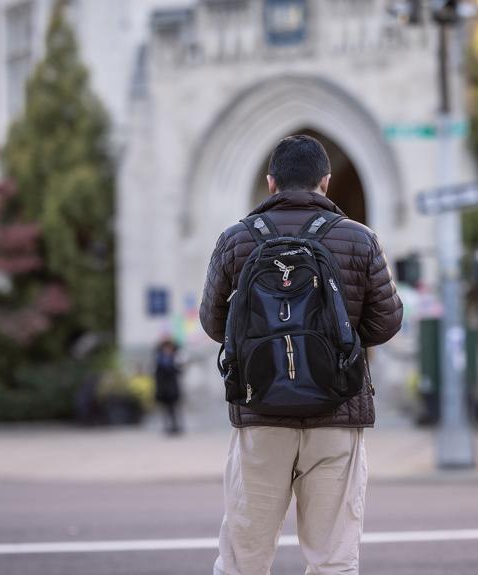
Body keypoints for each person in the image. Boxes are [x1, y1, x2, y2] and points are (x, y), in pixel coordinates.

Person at [200, 134, 403, 575]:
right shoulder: (360, 238)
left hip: (260, 413)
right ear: (325, 183)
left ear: (271, 183)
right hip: (337, 413)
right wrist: (339, 348)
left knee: (243, 558)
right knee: (333, 557)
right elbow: (386, 322)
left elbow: (214, 324)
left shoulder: (237, 239)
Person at [154, 338, 184, 435]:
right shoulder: (159, 360)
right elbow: (157, 376)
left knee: (175, 409)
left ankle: (175, 426)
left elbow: (179, 372)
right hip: (163, 389)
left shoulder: (174, 359)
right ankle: (167, 427)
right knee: (165, 409)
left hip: (173, 389)